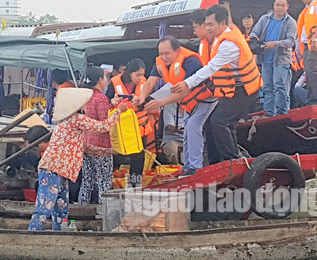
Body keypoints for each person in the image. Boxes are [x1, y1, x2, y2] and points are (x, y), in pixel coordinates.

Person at [171, 5, 262, 164]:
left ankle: (231, 160)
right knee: (213, 121)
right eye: (206, 24)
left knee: (219, 121)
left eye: (211, 24)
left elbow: (211, 68)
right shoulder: (220, 39)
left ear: (222, 24)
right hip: (233, 90)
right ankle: (215, 162)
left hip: (245, 90)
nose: (208, 28)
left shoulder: (228, 44)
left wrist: (187, 83)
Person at [28, 88, 127, 230]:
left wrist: (109, 151)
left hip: (61, 172)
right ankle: (33, 234)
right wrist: (118, 111)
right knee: (45, 208)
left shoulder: (69, 123)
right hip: (53, 170)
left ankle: (58, 233)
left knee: (61, 209)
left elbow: (85, 147)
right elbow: (104, 126)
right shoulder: (75, 119)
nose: (86, 105)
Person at [136, 35, 215, 175]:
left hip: (205, 99)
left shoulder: (190, 61)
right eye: (161, 53)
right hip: (187, 104)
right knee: (188, 131)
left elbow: (184, 91)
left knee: (192, 127)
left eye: (167, 53)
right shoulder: (160, 63)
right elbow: (149, 82)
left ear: (177, 51)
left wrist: (160, 103)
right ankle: (188, 166)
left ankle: (196, 166)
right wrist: (141, 97)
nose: (164, 57)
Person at [105, 58, 152, 186]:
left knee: (139, 157)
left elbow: (151, 101)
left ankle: (135, 185)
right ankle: (108, 184)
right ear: (129, 73)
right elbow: (106, 103)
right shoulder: (114, 83)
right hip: (121, 127)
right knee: (116, 155)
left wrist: (141, 101)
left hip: (139, 126)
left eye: (142, 74)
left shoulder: (144, 84)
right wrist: (112, 103)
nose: (140, 77)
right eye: (137, 75)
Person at [250, 0, 297, 116]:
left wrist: (275, 44)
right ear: (274, 5)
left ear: (287, 7)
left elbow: (291, 42)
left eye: (282, 5)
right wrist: (255, 40)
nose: (280, 7)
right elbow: (254, 32)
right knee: (267, 87)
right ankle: (269, 113)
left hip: (281, 60)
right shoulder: (264, 19)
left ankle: (282, 113)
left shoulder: (291, 22)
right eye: (278, 5)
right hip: (266, 59)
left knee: (280, 87)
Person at [78, 66, 115, 204]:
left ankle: (82, 209)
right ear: (100, 80)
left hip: (86, 144)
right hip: (101, 147)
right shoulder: (101, 98)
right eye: (105, 77)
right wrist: (117, 111)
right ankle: (104, 213)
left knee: (87, 181)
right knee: (104, 182)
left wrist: (111, 105)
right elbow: (106, 123)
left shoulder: (85, 96)